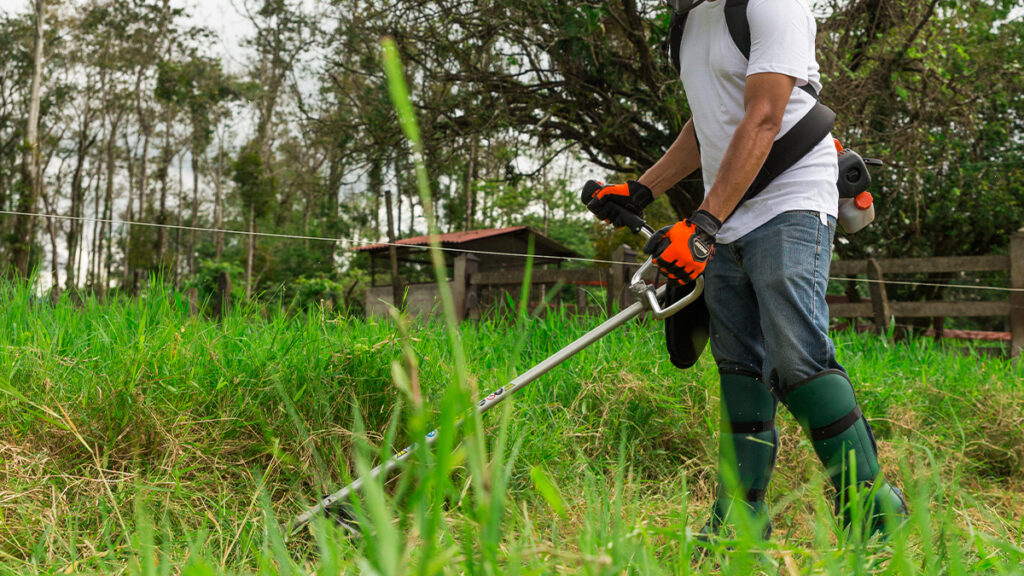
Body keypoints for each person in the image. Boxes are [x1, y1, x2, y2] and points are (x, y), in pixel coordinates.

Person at [583, 0, 907, 539]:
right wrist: (643, 187)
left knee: (796, 359)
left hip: (792, 199)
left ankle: (874, 506)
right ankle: (738, 517)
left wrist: (702, 224)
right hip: (728, 211)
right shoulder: (689, 20)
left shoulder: (772, 5)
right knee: (739, 369)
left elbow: (765, 115)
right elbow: (706, 122)